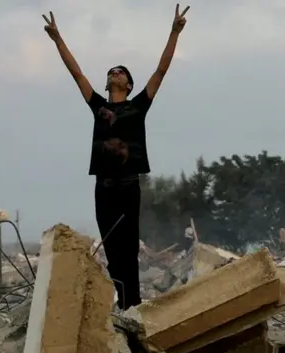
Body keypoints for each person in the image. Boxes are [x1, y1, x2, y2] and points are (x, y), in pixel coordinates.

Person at [42, 4, 190, 310]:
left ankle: (132, 306)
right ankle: (121, 303)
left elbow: (161, 70)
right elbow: (76, 72)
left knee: (127, 248)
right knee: (111, 249)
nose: (115, 72)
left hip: (128, 184)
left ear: (129, 84)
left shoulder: (138, 105)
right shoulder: (98, 106)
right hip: (103, 186)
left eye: (121, 71)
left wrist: (174, 32)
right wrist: (58, 39)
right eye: (112, 71)